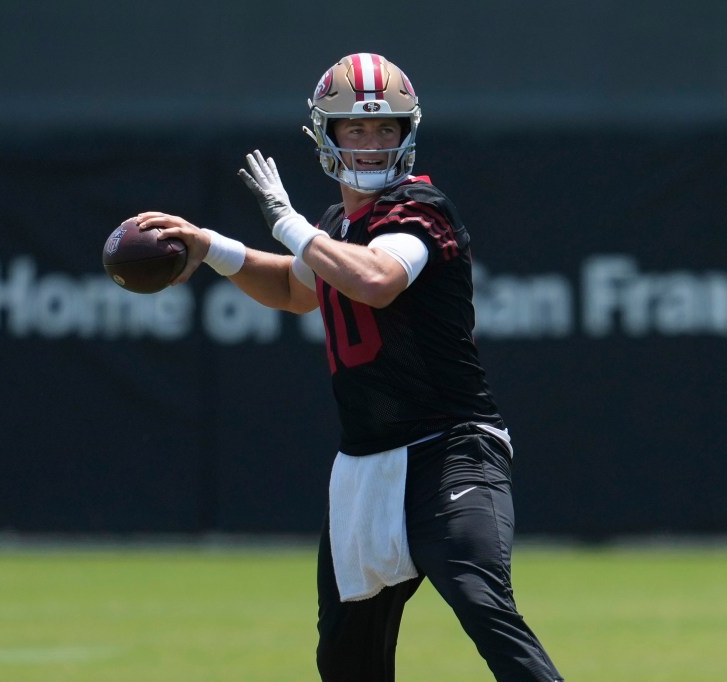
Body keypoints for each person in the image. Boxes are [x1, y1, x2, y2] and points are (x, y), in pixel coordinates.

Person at [134, 52, 563, 682]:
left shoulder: (421, 208)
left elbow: (378, 280)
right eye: (354, 130)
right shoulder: (338, 225)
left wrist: (287, 223)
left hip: (452, 448)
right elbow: (294, 289)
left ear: (407, 132)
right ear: (325, 135)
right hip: (364, 468)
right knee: (346, 661)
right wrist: (211, 246)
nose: (370, 143)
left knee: (482, 602)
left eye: (385, 128)